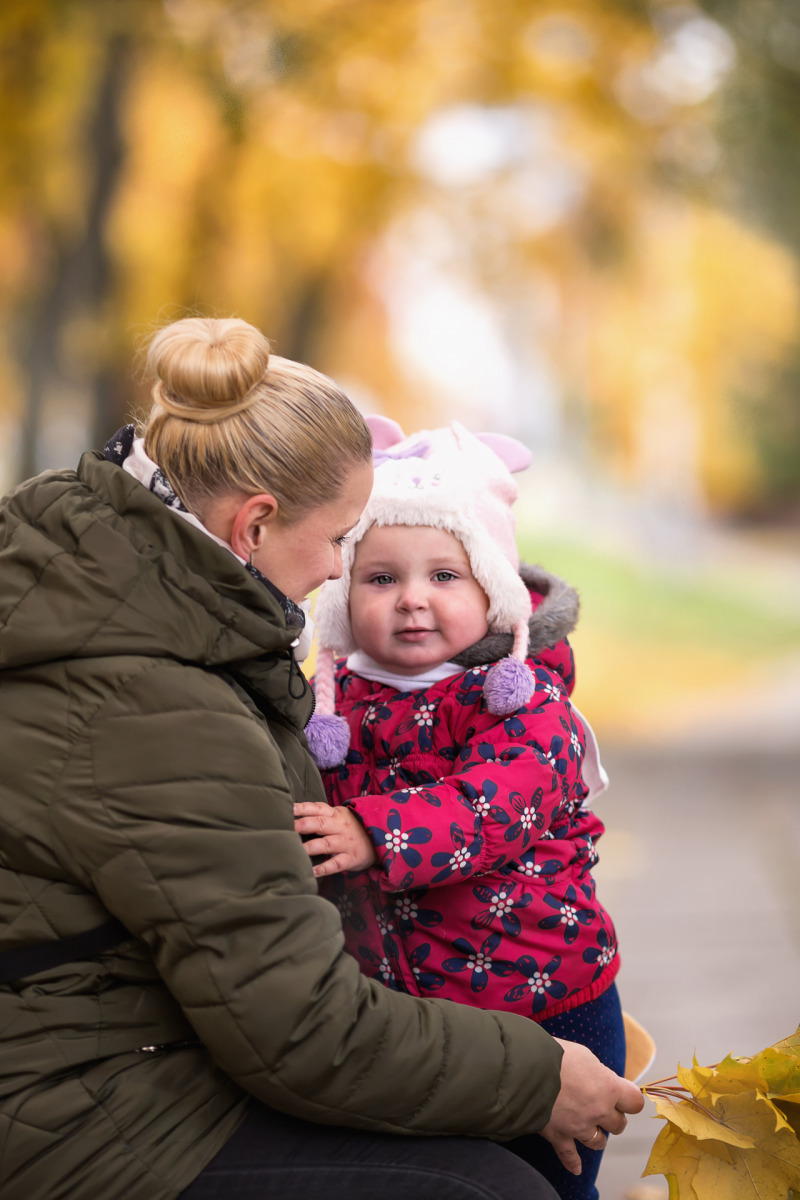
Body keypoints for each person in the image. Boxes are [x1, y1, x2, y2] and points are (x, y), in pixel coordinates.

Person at [0, 317, 642, 1200]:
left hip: (129, 1043)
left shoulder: (114, 592)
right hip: (90, 1111)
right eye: (344, 542)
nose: (339, 568)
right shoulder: (157, 701)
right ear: (255, 523)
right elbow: (295, 1030)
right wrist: (534, 1076)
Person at [298, 417, 624, 1200]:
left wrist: (374, 833)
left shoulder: (521, 700)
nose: (413, 601)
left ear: (494, 591)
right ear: (343, 593)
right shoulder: (331, 706)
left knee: (549, 1187)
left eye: (445, 576)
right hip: (420, 1026)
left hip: (546, 998)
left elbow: (495, 806)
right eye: (381, 579)